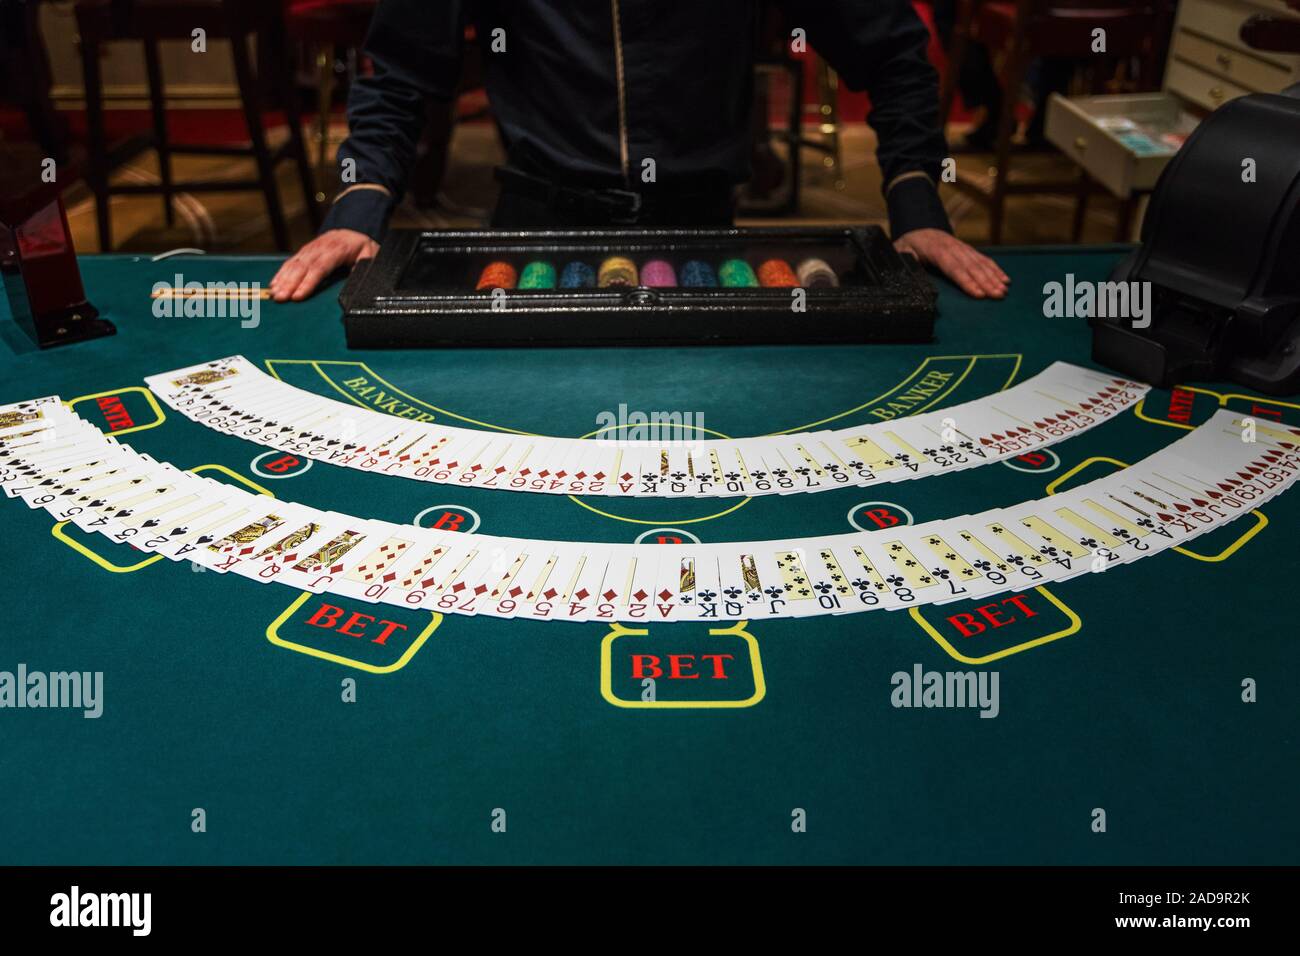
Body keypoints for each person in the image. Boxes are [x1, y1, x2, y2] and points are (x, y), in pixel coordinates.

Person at [270, 0, 1009, 302]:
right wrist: (359, 210)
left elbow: (894, 56)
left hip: (701, 239)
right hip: (533, 228)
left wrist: (917, 206)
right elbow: (398, 71)